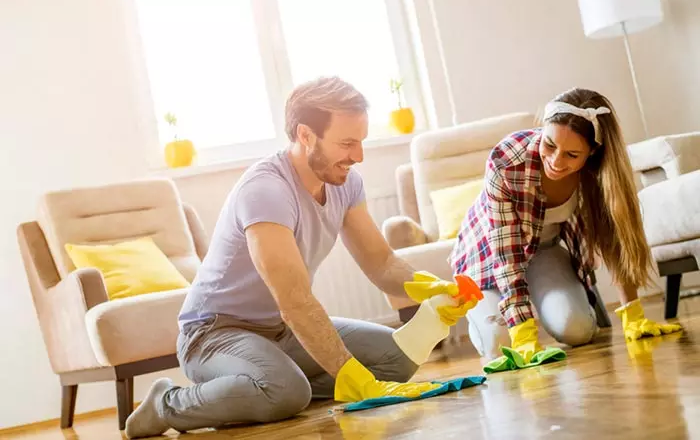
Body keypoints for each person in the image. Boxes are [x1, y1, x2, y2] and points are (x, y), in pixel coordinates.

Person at [125, 76, 474, 438]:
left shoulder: (345, 182)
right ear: (306, 135)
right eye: (347, 143)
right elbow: (293, 299)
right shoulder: (266, 190)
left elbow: (381, 262)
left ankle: (268, 386)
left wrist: (431, 289)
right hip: (214, 333)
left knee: (395, 359)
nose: (358, 156)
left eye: (361, 142)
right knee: (286, 392)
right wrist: (353, 377)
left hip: (280, 329)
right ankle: (168, 403)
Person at [449, 87, 682, 362]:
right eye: (549, 144)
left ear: (592, 154)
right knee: (499, 346)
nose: (556, 161)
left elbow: (614, 238)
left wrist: (633, 313)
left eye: (572, 155)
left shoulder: (599, 175)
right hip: (488, 255)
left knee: (578, 330)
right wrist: (523, 332)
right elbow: (507, 254)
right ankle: (489, 316)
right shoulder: (507, 160)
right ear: (542, 128)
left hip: (544, 251)